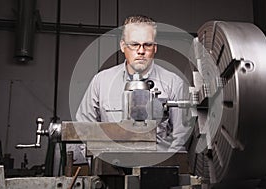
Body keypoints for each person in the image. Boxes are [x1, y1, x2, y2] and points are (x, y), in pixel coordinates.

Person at [76, 15, 191, 151]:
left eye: (147, 45)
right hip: (111, 167)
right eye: (135, 44)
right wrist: (99, 163)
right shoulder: (101, 82)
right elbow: (83, 129)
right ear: (123, 46)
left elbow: (181, 137)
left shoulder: (173, 83)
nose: (141, 51)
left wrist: (164, 166)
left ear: (155, 47)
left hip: (157, 168)